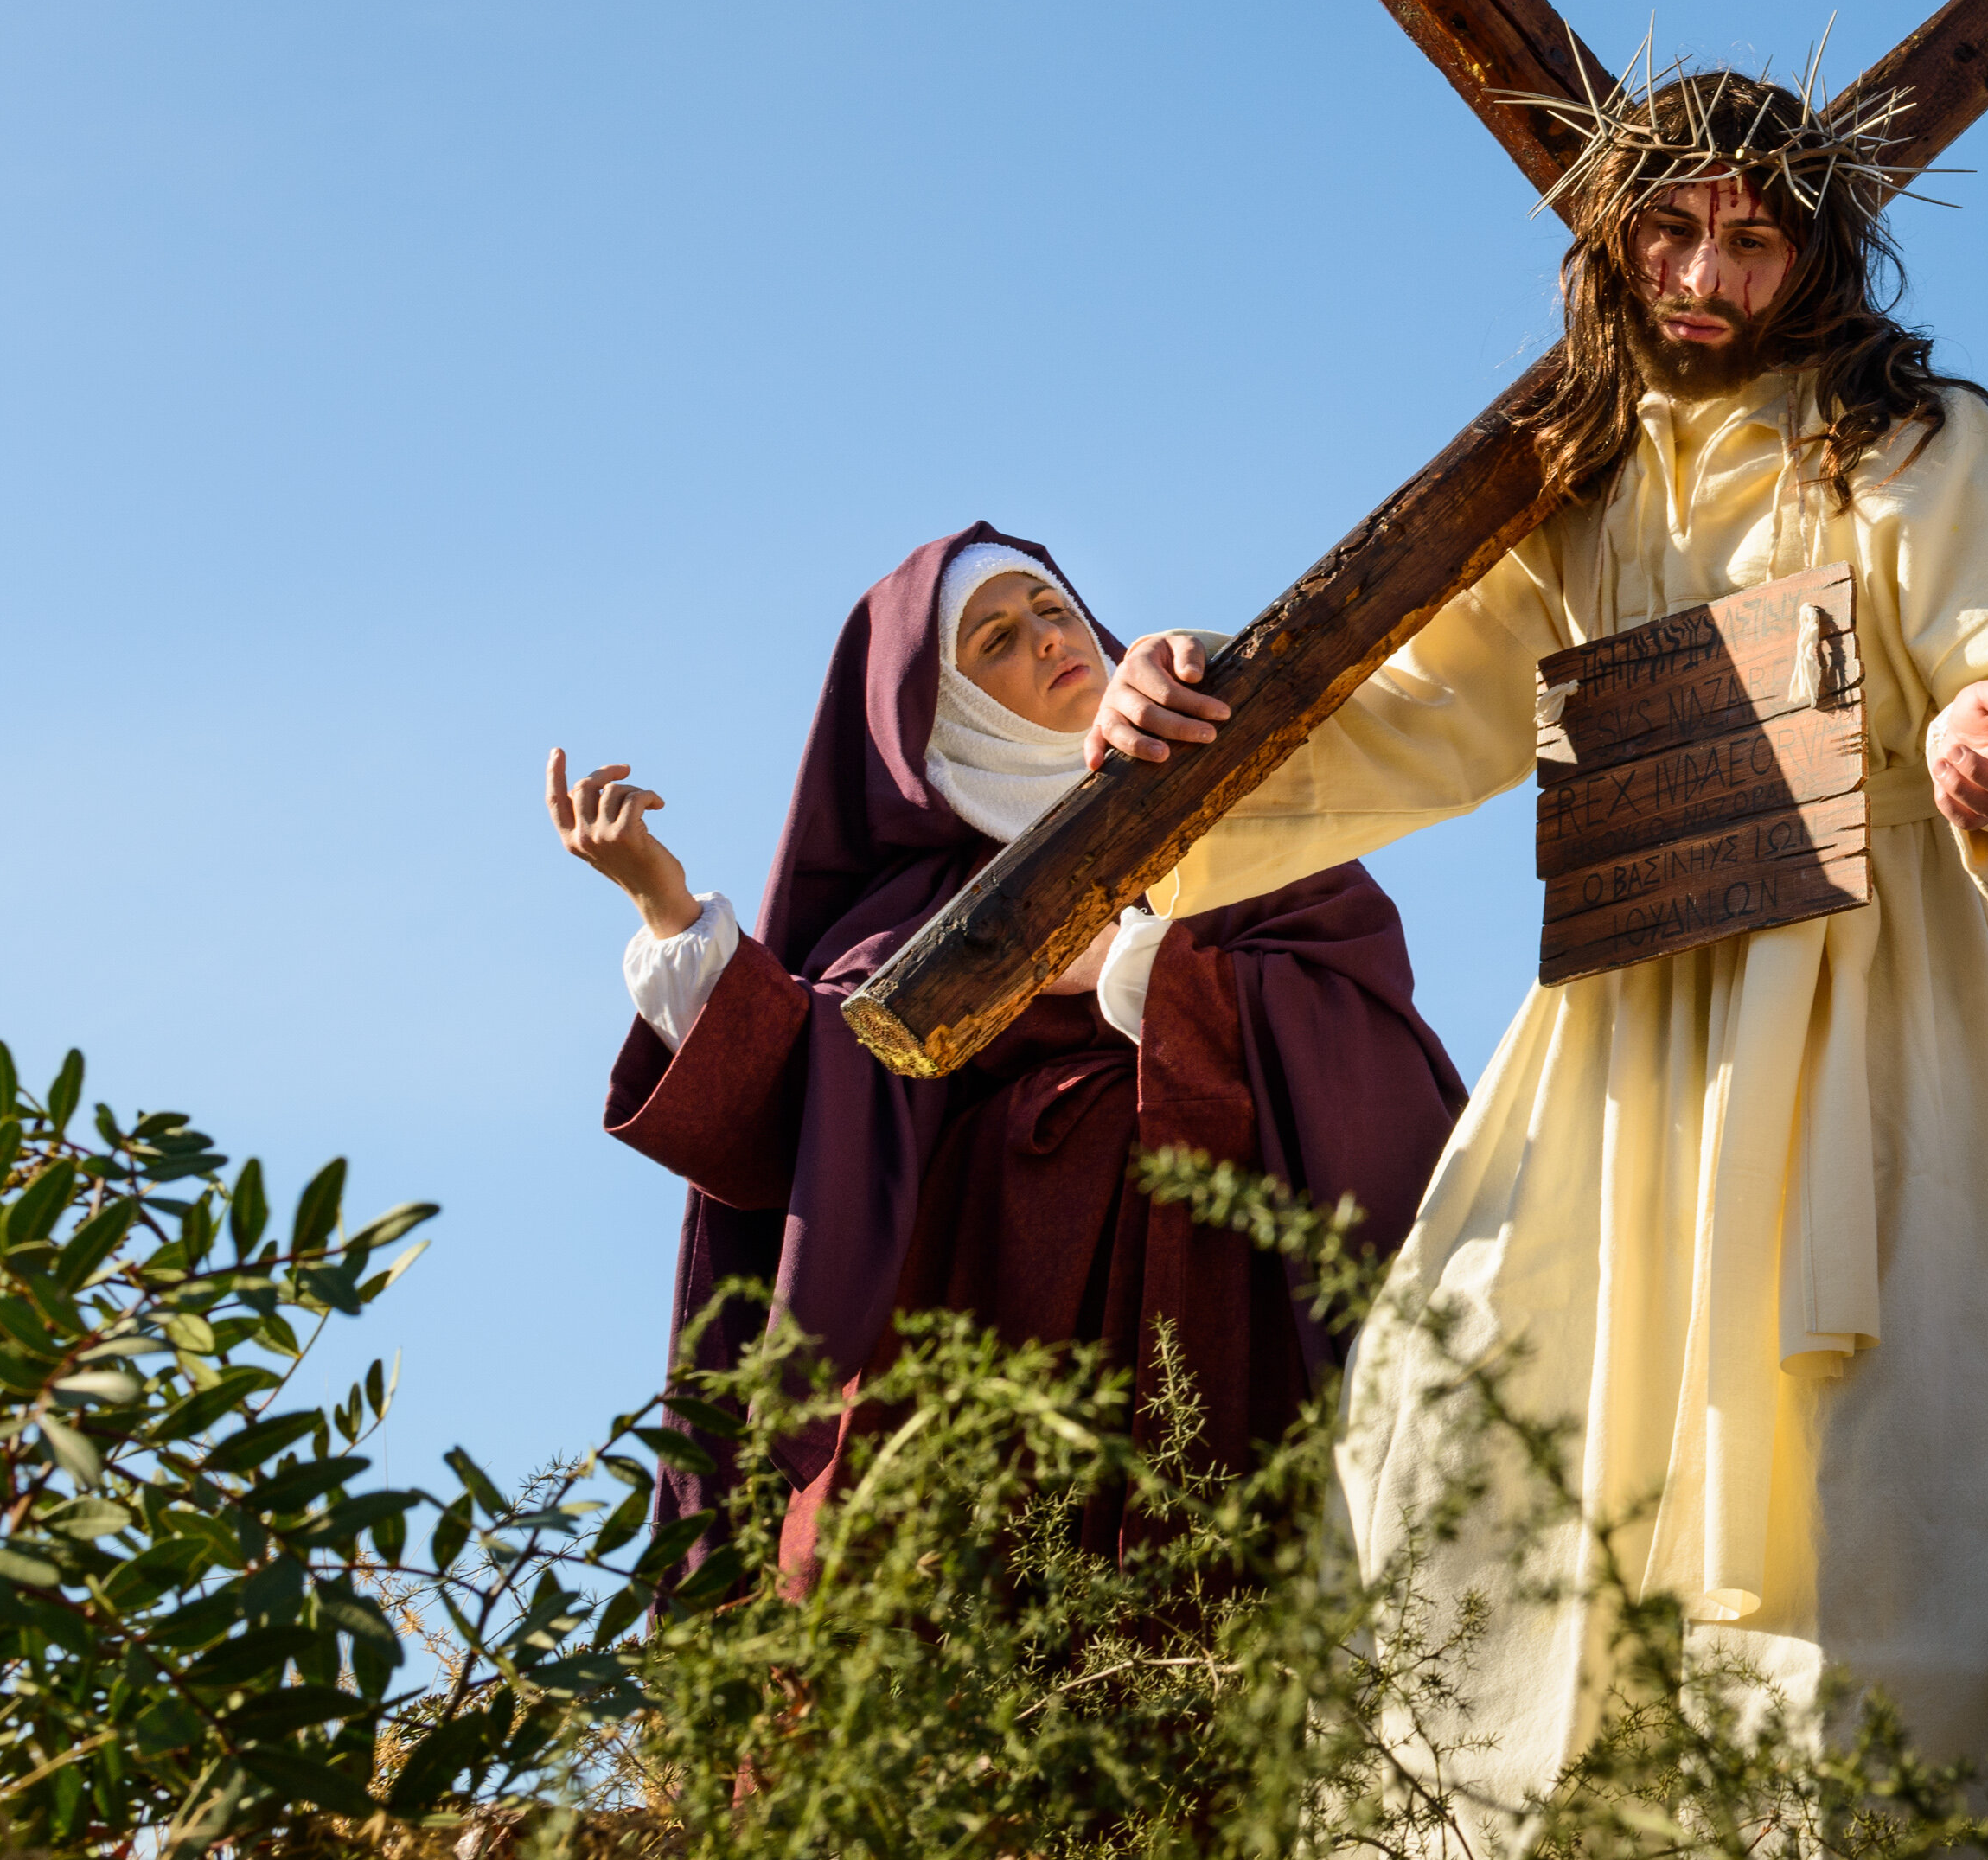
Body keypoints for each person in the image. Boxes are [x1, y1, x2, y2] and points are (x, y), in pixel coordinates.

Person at [1086, 71, 1988, 1860]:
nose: (1706, 274)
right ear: (1606, 242)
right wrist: (1187, 737)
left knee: (1863, 1486)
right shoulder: (1572, 484)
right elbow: (1415, 711)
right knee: (1471, 1427)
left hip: (1870, 999)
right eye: (1668, 228)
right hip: (1635, 996)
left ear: (1815, 251)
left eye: (1754, 236)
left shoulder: (1901, 441)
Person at [548, 526, 1467, 1583]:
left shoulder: (1240, 809)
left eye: (1049, 606)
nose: (1045, 636)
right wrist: (666, 907)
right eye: (994, 638)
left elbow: (1359, 1023)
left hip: (1221, 1322)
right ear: (943, 713)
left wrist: (1138, 968)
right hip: (977, 1364)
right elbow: (798, 1119)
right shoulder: (915, 916)